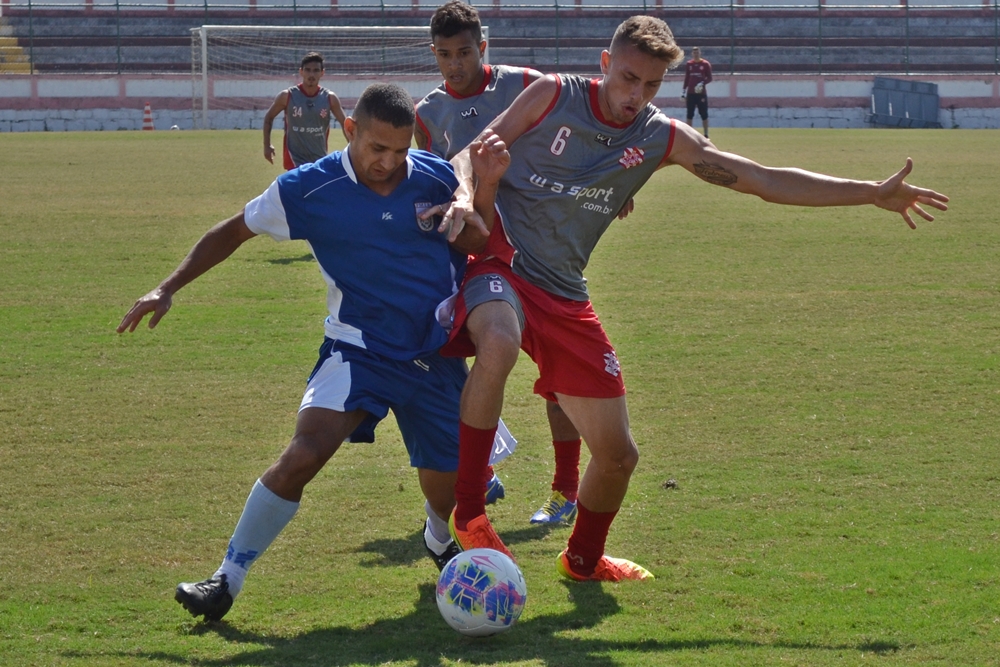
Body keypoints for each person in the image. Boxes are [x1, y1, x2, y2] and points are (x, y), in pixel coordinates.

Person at [441, 15, 948, 582]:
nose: (636, 95)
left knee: (618, 456)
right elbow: (472, 154)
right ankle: (470, 511)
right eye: (628, 78)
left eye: (651, 85)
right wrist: (463, 195)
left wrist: (868, 193)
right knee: (500, 342)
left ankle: (582, 562)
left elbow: (760, 178)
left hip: (562, 291)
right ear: (606, 64)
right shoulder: (551, 93)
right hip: (501, 261)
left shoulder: (662, 137)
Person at [117, 82, 509, 621]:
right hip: (358, 349)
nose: (389, 162)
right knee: (303, 454)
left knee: (446, 488)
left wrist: (471, 206)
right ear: (349, 130)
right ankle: (225, 578)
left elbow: (474, 244)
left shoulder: (436, 175)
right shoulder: (308, 189)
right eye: (376, 148)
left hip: (433, 356)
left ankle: (437, 535)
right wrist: (168, 286)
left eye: (400, 150)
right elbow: (234, 231)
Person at [415, 0, 581, 526]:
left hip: (540, 252)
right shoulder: (427, 113)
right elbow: (427, 181)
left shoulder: (524, 84)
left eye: (464, 52)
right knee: (457, 358)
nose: (455, 64)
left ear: (483, 47)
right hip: (476, 255)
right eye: (444, 55)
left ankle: (565, 491)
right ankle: (479, 478)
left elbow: (577, 131)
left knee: (561, 380)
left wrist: (605, 185)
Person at [263, 52, 348, 170]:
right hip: (294, 161)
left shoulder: (329, 98)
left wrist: (353, 150)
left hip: (319, 161)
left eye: (316, 70)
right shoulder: (287, 96)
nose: (311, 74)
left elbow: (346, 124)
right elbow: (269, 117)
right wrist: (267, 145)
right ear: (301, 72)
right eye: (307, 70)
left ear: (322, 73)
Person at [682, 46, 712, 138]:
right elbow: (687, 78)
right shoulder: (689, 64)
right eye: (694, 53)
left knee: (704, 114)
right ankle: (689, 135)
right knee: (689, 114)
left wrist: (702, 83)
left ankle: (706, 134)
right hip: (690, 93)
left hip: (701, 94)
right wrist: (683, 91)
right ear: (692, 54)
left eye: (697, 53)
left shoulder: (705, 64)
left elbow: (710, 78)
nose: (696, 54)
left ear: (700, 53)